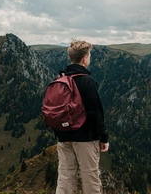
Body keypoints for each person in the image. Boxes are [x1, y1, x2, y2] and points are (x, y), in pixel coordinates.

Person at [55, 39, 109, 194]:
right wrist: (104, 137)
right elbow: (95, 112)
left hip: (63, 137)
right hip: (85, 138)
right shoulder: (87, 81)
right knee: (90, 177)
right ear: (85, 58)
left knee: (65, 177)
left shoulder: (61, 79)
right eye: (89, 55)